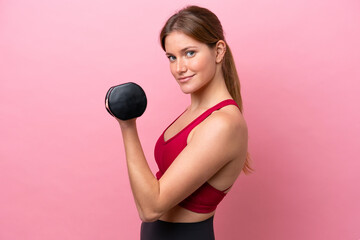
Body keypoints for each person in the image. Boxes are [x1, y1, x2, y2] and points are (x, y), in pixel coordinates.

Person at [113, 5, 253, 240]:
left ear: (218, 51)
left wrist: (127, 125)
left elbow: (150, 207)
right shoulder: (196, 113)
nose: (179, 68)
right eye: (172, 57)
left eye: (190, 53)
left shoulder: (223, 124)